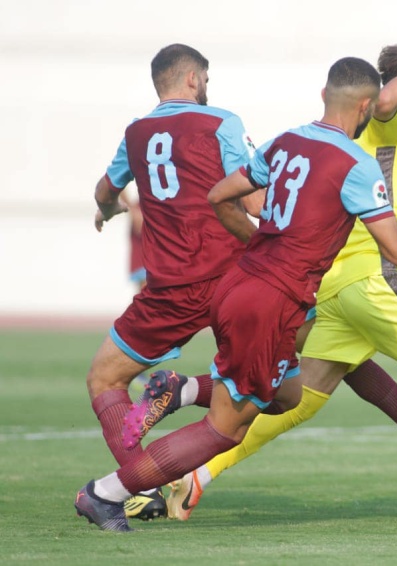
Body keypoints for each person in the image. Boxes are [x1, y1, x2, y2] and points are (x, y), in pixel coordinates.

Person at [74, 55, 397, 532]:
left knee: (287, 395)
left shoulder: (286, 142)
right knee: (223, 430)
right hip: (269, 300)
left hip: (236, 285)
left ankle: (183, 388)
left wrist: (260, 242)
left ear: (323, 96)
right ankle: (106, 493)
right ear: (365, 108)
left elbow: (220, 195)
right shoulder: (357, 165)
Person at [86, 43, 261, 521]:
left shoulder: (137, 132)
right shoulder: (222, 121)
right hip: (233, 280)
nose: (207, 87)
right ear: (192, 78)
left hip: (170, 290)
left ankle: (137, 486)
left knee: (104, 377)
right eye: (206, 78)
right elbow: (254, 200)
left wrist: (109, 210)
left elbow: (104, 191)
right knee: (282, 387)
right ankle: (183, 393)